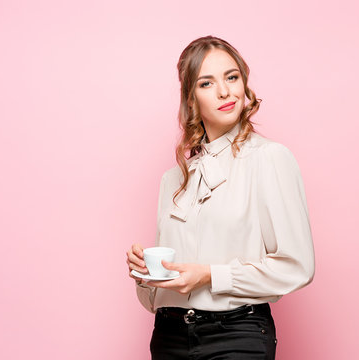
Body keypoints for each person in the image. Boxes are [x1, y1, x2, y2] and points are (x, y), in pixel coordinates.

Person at [126, 35, 315, 360]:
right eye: (207, 83)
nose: (225, 91)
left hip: (236, 335)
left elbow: (297, 267)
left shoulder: (269, 158)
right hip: (169, 338)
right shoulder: (173, 179)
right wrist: (146, 276)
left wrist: (210, 275)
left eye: (232, 77)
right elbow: (156, 299)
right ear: (191, 99)